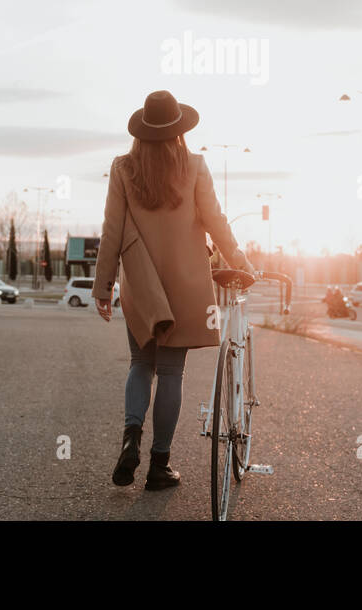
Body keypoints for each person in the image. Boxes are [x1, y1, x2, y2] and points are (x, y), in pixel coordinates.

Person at [93, 90, 253, 490]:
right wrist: (240, 259)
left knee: (140, 365)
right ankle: (158, 466)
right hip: (185, 285)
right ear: (180, 130)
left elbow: (112, 229)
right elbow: (215, 220)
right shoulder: (195, 166)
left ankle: (131, 438)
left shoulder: (123, 168)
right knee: (170, 373)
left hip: (141, 284)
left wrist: (103, 284)